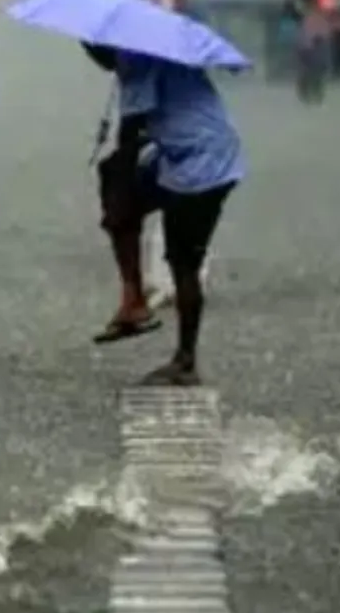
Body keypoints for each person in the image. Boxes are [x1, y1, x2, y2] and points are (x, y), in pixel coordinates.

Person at [91, 50, 242, 385]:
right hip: (194, 152)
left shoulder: (138, 62)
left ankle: (185, 360)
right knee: (116, 183)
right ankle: (133, 299)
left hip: (201, 166)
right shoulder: (148, 55)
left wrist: (119, 199)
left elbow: (130, 134)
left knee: (183, 260)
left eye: (95, 50)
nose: (94, 58)